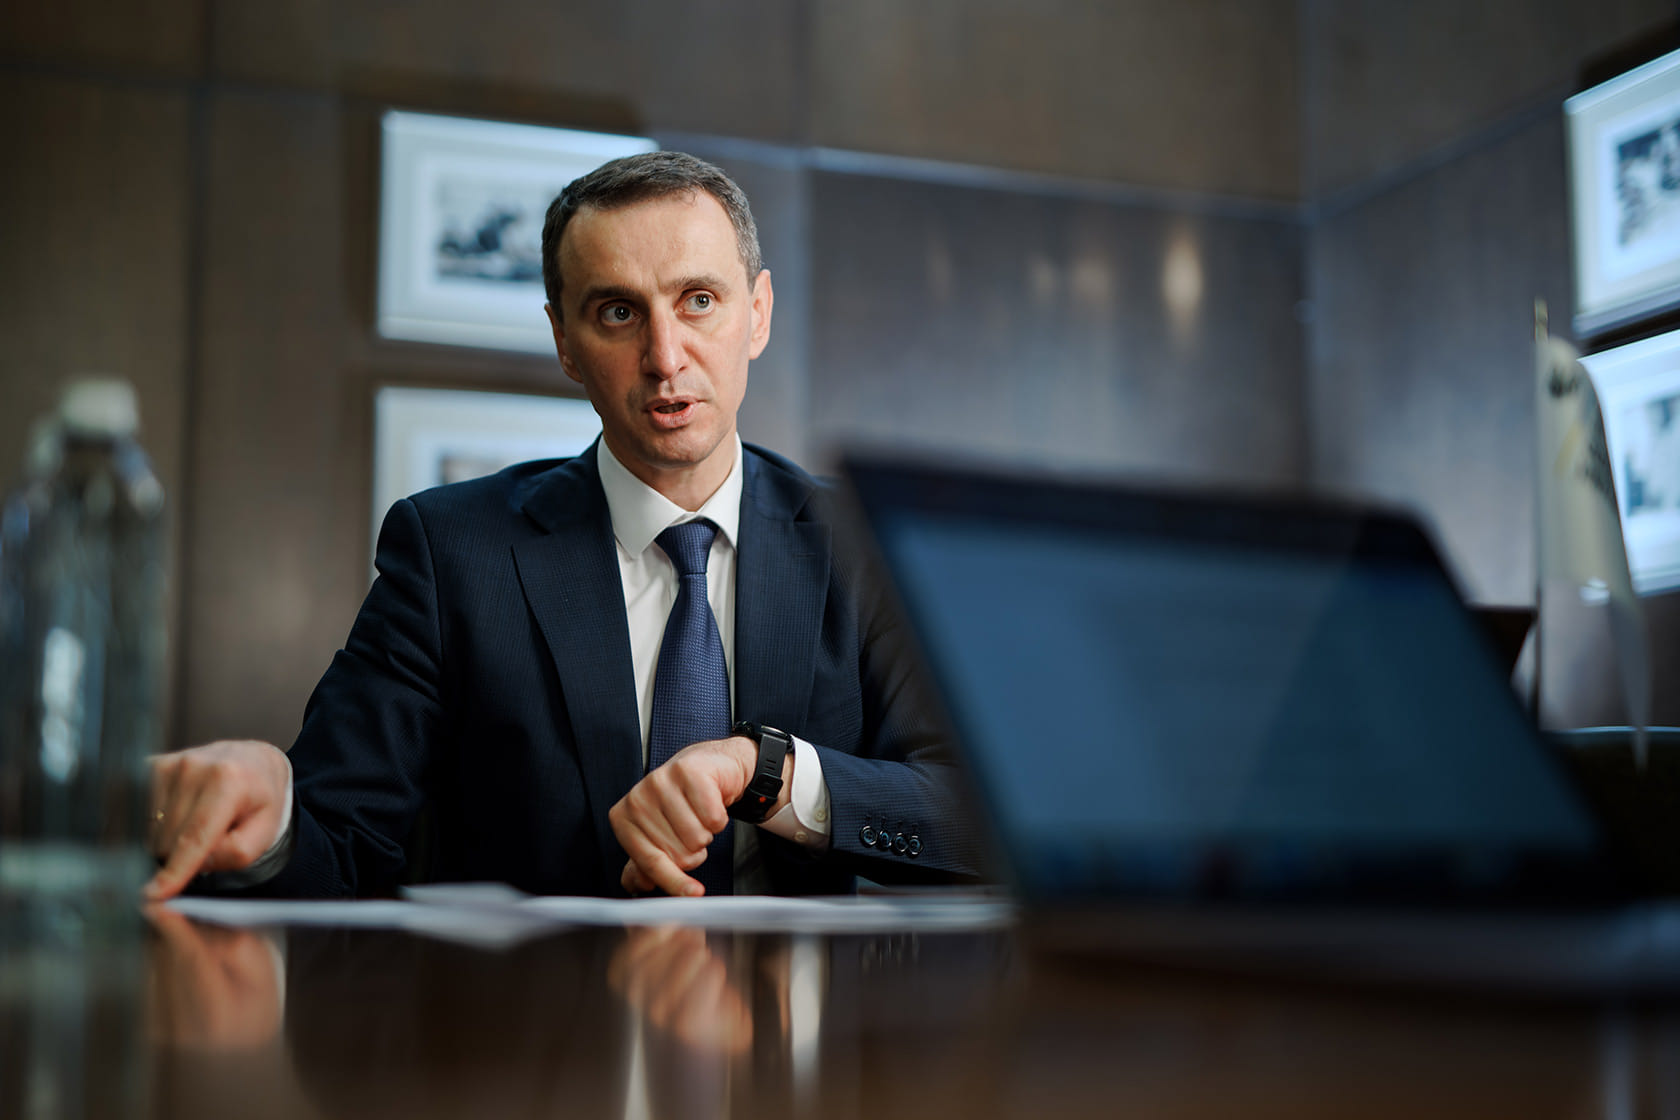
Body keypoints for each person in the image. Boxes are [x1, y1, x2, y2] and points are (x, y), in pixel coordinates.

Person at [146, 152, 980, 900]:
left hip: (798, 1021)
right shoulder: (452, 554)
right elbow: (339, 843)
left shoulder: (867, 545)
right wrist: (274, 822)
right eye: (618, 312)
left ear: (756, 313)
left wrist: (772, 775)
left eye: (698, 301)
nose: (665, 356)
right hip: (538, 1018)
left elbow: (980, 819)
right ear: (565, 342)